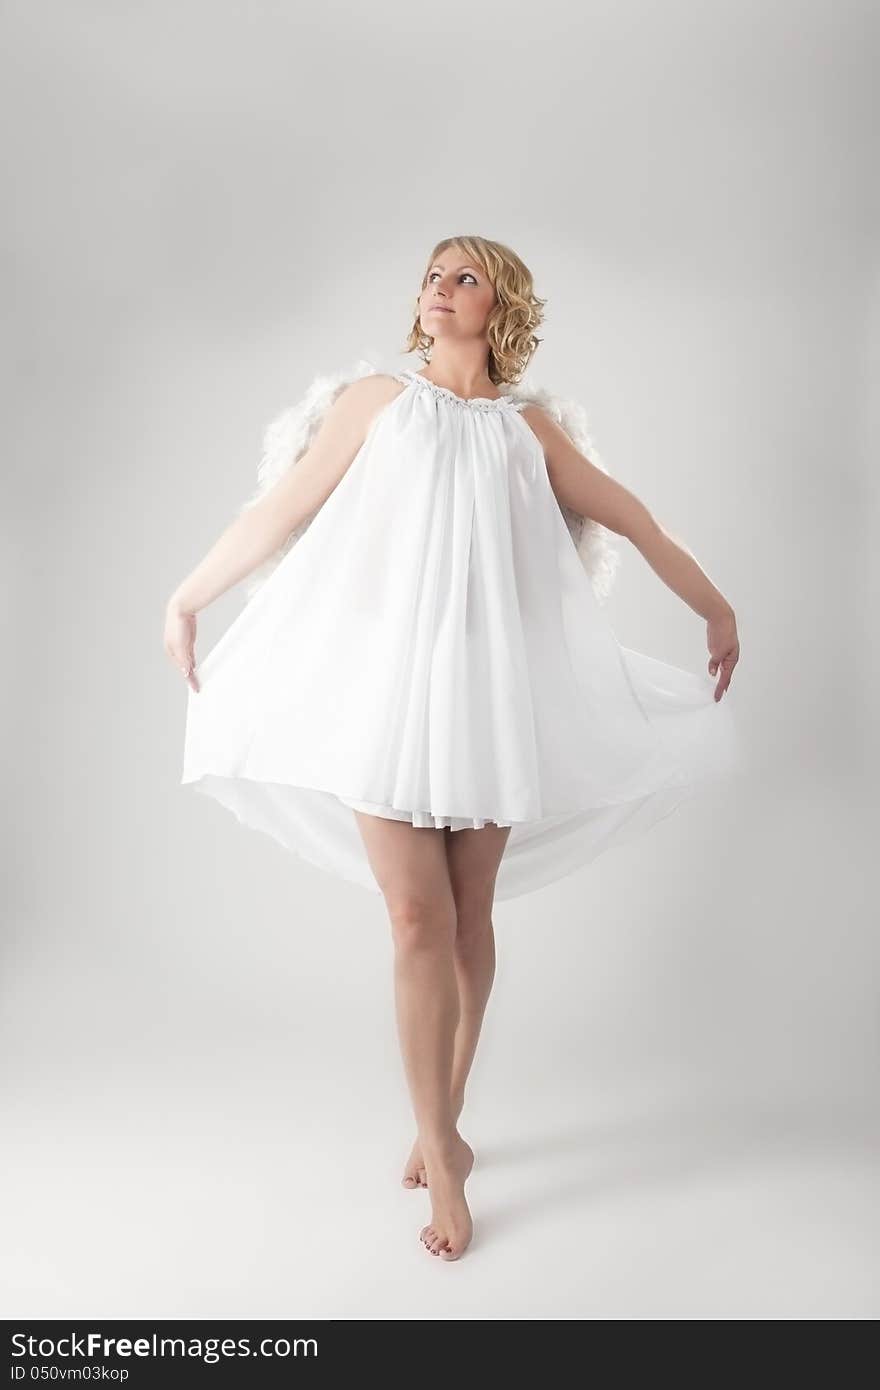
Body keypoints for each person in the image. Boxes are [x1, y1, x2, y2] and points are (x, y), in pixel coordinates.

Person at [164, 235, 741, 1262]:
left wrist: (714, 607)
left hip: (488, 693)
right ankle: (438, 1141)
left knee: (470, 912)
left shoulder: (531, 429)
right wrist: (186, 598)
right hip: (387, 693)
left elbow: (635, 520)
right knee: (414, 914)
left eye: (463, 276)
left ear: (501, 303)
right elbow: (282, 507)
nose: (438, 289)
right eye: (432, 273)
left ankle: (450, 1121)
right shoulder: (375, 401)